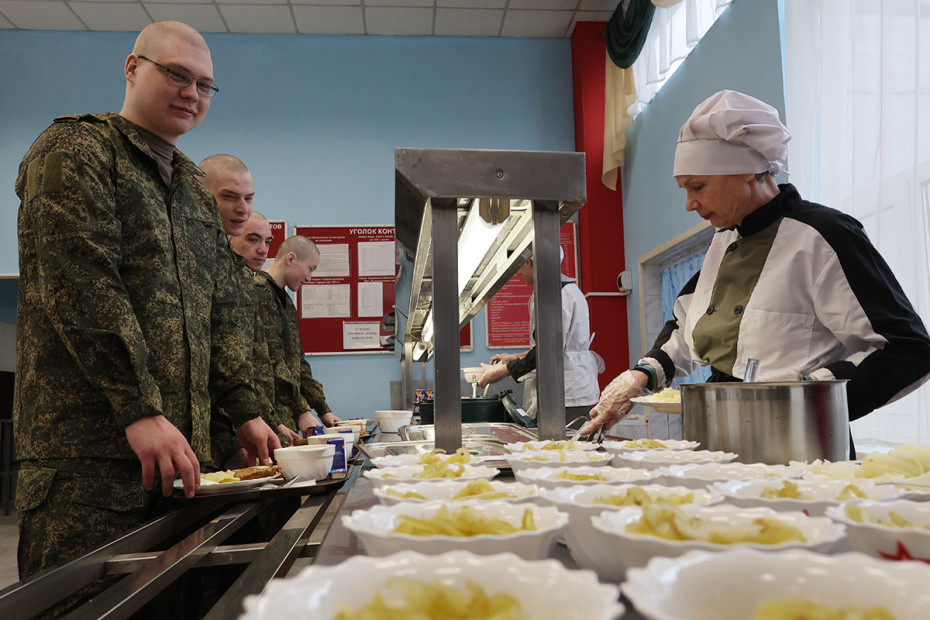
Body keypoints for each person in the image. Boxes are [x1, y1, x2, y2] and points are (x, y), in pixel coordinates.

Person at [14, 21, 281, 588]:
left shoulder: (192, 189)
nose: (192, 93)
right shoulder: (78, 148)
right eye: (177, 74)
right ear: (132, 68)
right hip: (93, 468)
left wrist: (244, 410)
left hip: (185, 462)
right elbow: (81, 286)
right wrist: (139, 409)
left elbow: (219, 312)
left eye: (205, 84)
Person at [580, 90, 930, 457]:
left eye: (698, 186)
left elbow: (908, 351)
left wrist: (803, 395)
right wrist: (638, 378)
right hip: (721, 441)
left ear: (747, 169)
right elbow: (687, 327)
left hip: (802, 450)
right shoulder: (724, 240)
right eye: (685, 189)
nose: (689, 204)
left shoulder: (823, 235)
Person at [199, 155, 276, 468]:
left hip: (236, 428)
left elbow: (253, 364)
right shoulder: (195, 262)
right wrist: (230, 439)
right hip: (204, 436)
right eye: (229, 197)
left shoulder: (239, 275)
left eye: (248, 198)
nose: (242, 208)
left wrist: (265, 419)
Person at [477, 246, 601, 423]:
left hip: (568, 391)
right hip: (563, 388)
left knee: (567, 441)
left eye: (519, 266)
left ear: (529, 262)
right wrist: (515, 357)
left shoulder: (555, 296)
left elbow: (548, 351)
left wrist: (503, 371)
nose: (518, 273)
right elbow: (548, 345)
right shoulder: (558, 292)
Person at [255, 234, 342, 440]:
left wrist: (322, 409)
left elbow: (298, 365)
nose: (310, 277)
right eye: (310, 268)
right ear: (291, 258)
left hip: (287, 415)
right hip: (269, 417)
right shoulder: (260, 292)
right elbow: (272, 361)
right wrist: (302, 410)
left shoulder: (285, 301)